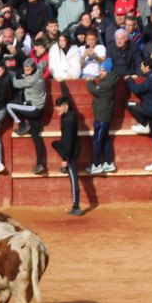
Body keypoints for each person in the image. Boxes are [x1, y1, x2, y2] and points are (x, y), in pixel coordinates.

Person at [7, 57, 48, 176]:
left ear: (33, 68)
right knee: (36, 136)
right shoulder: (39, 70)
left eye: (28, 69)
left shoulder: (31, 80)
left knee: (9, 106)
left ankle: (22, 125)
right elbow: (44, 63)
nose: (26, 71)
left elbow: (15, 84)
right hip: (39, 107)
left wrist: (13, 74)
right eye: (25, 69)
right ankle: (40, 164)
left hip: (34, 108)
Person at [126, 56, 152, 171]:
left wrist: (130, 79)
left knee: (129, 104)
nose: (140, 68)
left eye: (142, 66)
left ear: (147, 67)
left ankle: (144, 125)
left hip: (151, 109)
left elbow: (136, 89)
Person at [53, 89, 83, 217]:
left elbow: (68, 142)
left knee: (73, 178)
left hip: (71, 151)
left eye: (59, 107)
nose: (57, 109)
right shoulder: (70, 115)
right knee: (54, 143)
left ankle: (76, 207)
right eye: (56, 106)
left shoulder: (68, 121)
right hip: (72, 145)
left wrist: (65, 159)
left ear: (66, 106)